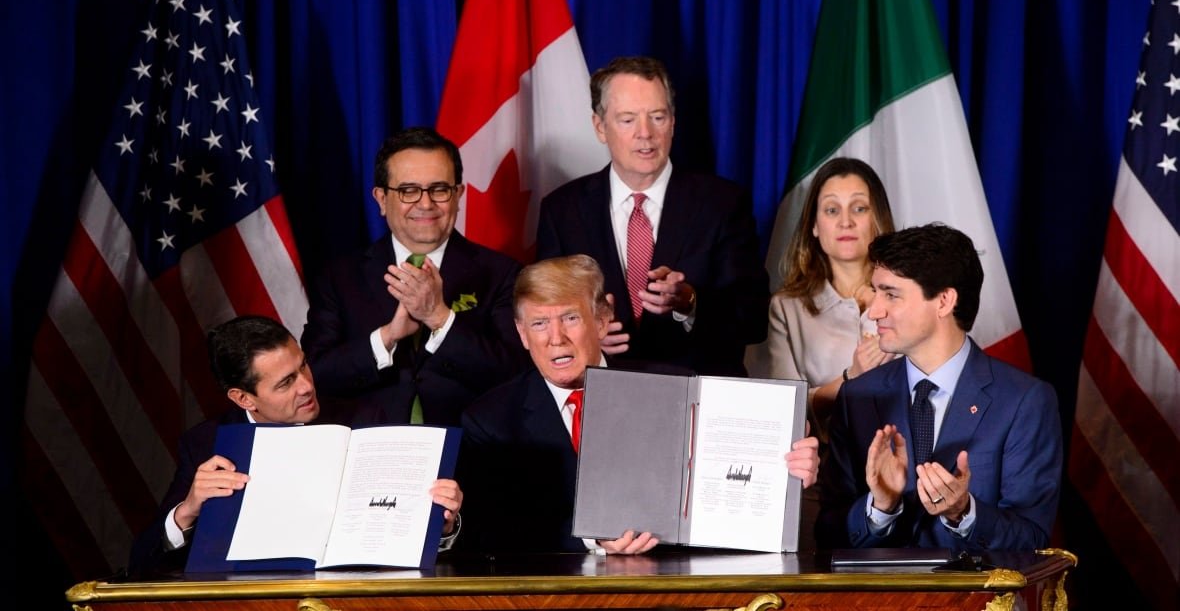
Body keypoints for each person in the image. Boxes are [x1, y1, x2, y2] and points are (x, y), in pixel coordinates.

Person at [457, 255, 818, 555]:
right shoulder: (490, 420)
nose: (556, 339)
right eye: (539, 323)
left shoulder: (677, 387)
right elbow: (493, 534)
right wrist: (592, 537)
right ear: (521, 333)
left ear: (602, 320)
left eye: (570, 318)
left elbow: (724, 492)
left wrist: (782, 474)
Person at [128, 315, 462, 575]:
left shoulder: (364, 418)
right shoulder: (204, 444)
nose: (305, 386)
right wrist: (186, 512)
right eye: (286, 383)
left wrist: (441, 524)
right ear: (243, 398)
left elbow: (406, 533)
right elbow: (141, 563)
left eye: (302, 365)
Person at [817, 224, 1062, 552]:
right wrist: (880, 508)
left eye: (890, 294)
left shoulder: (1024, 401)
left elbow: (1031, 539)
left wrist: (963, 513)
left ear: (944, 301)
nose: (874, 311)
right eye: (875, 293)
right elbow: (827, 533)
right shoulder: (857, 397)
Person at [535, 56, 768, 377]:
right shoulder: (562, 210)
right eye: (628, 119)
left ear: (673, 121)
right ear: (600, 127)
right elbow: (542, 317)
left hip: (695, 394)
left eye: (657, 117)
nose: (645, 133)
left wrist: (691, 303)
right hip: (601, 395)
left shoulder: (723, 204)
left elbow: (754, 319)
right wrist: (586, 336)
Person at [301, 127, 528, 426]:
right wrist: (387, 337)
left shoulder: (503, 274)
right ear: (381, 199)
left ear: (458, 195)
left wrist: (440, 319)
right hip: (370, 450)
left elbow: (517, 376)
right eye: (408, 190)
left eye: (439, 189)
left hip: (471, 450)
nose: (425, 203)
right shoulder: (339, 277)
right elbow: (314, 376)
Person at [762, 158, 897, 427]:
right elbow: (782, 409)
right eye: (832, 210)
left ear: (877, 218)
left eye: (859, 208)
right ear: (814, 225)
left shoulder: (911, 297)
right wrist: (852, 376)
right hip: (822, 463)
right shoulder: (786, 308)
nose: (845, 222)